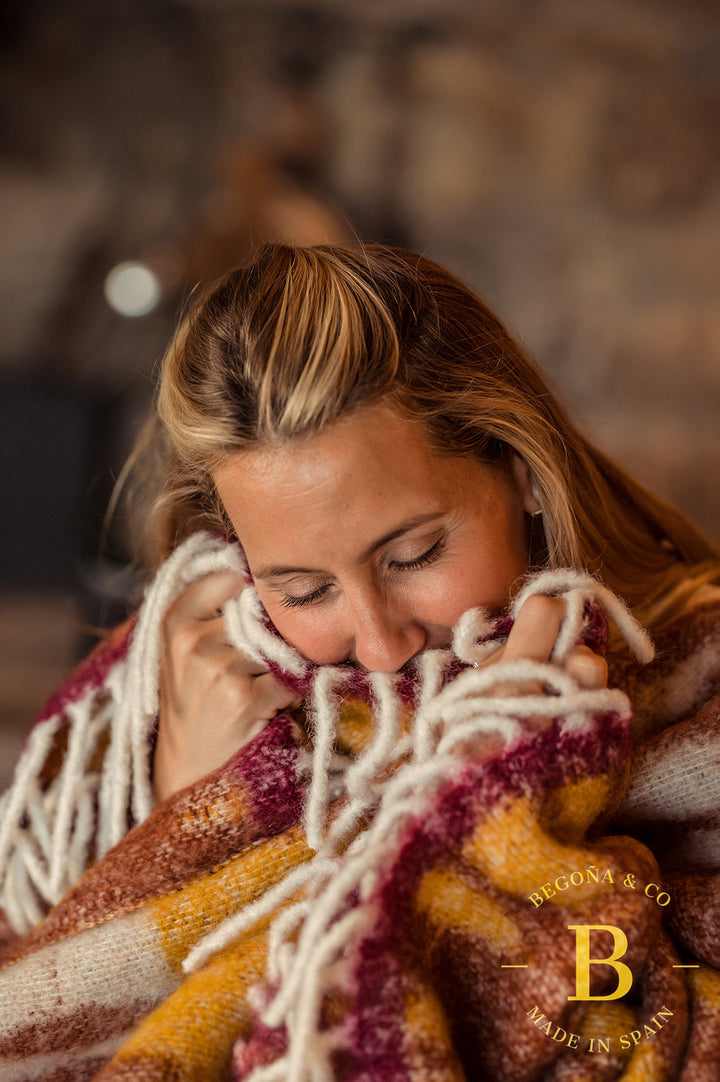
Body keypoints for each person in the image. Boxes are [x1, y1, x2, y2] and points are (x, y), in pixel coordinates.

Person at [1, 243, 719, 1081]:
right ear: (235, 556)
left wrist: (498, 811)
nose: (379, 645)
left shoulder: (699, 684)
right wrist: (178, 809)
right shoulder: (153, 705)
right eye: (304, 591)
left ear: (519, 470)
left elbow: (660, 1034)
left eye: (415, 554)